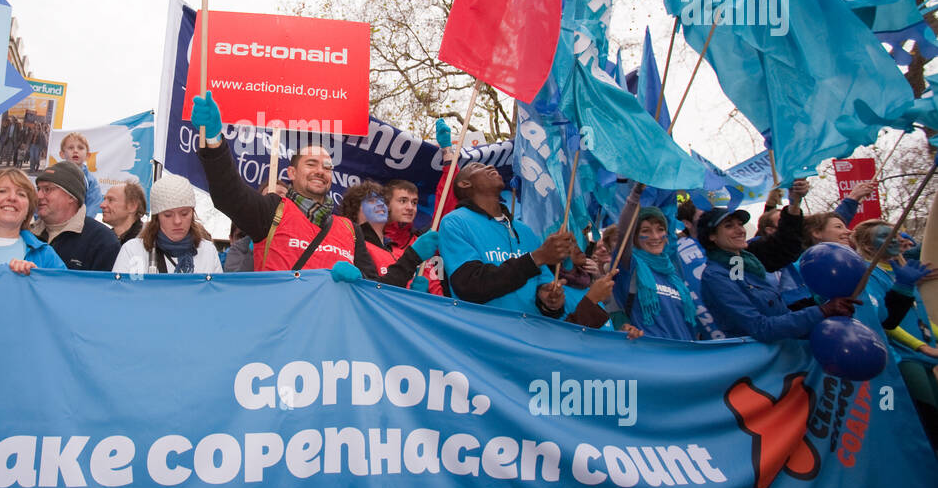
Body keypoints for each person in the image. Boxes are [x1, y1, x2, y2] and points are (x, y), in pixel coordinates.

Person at [190, 91, 423, 284]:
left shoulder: (350, 230)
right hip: (280, 323)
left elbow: (374, 289)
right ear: (292, 173)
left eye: (327, 166)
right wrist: (214, 141)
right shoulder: (272, 210)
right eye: (311, 164)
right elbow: (229, 194)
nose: (320, 170)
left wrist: (360, 279)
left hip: (330, 325)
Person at [439, 160, 613, 328]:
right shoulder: (455, 222)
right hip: (486, 336)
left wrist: (550, 301)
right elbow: (470, 285)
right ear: (464, 184)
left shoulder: (525, 230)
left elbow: (544, 290)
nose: (491, 166)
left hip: (530, 336)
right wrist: (536, 257)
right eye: (478, 167)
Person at [697, 207, 854, 342]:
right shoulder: (716, 276)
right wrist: (822, 311)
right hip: (760, 361)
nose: (740, 230)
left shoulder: (746, 266)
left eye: (740, 224)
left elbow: (780, 314)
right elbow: (760, 327)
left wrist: (827, 316)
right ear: (712, 236)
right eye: (729, 226)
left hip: (785, 352)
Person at [609, 185, 699, 341]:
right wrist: (635, 195)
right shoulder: (629, 265)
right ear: (634, 237)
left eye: (660, 229)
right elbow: (624, 233)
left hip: (684, 351)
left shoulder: (673, 273)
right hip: (650, 353)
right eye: (646, 231)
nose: (655, 236)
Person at [113, 174, 222, 274]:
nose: (177, 221)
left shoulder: (208, 252)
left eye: (184, 213)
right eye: (168, 215)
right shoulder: (133, 251)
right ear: (157, 218)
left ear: (193, 213)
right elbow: (120, 288)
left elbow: (216, 289)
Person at [29, 161, 118, 271]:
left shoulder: (102, 241)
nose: (39, 196)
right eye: (38, 189)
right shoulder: (26, 235)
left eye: (47, 189)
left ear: (71, 196)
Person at [58, 132, 103, 214]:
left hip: (80, 220)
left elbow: (93, 204)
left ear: (87, 155)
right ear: (62, 154)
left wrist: (84, 220)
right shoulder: (54, 176)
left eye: (80, 148)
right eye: (71, 148)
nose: (75, 151)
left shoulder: (90, 181)